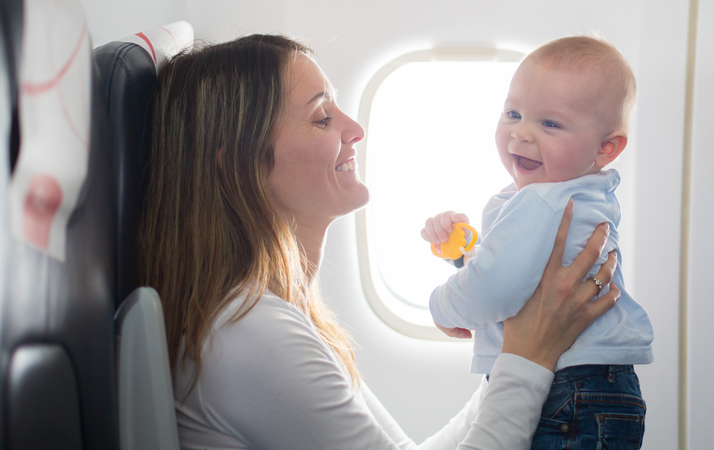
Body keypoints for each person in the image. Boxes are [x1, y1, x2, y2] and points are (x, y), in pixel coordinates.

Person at [137, 34, 622, 450]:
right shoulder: (248, 332)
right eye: (322, 117)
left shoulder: (283, 313)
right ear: (239, 160)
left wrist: (525, 340)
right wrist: (528, 355)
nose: (355, 129)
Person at [422, 36, 654, 449]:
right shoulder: (578, 193)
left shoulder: (542, 201)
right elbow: (523, 274)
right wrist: (464, 257)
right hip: (596, 387)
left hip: (568, 391)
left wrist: (441, 307)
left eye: (549, 124)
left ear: (606, 147)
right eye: (513, 113)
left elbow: (497, 286)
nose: (521, 134)